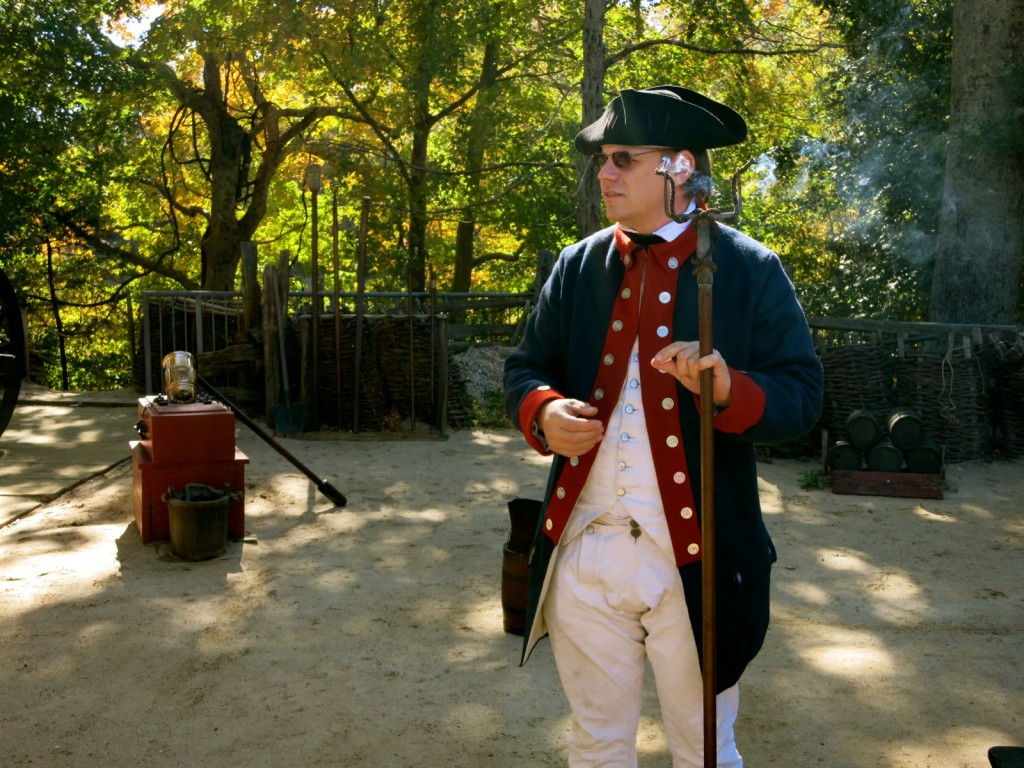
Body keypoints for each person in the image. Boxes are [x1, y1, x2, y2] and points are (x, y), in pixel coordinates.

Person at [503, 86, 824, 767]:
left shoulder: (749, 269)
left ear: (680, 169)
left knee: (704, 750)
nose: (605, 173)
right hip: (583, 547)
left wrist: (731, 388)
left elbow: (801, 398)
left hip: (698, 554)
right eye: (601, 160)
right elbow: (525, 369)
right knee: (595, 748)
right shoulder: (577, 264)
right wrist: (543, 413)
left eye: (623, 158)